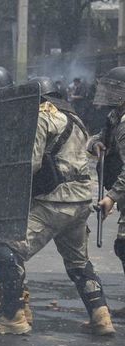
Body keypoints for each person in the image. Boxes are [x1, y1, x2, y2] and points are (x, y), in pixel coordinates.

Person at [0, 77, 114, 336]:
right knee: (79, 262)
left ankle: (13, 316)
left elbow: (30, 164)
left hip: (54, 200)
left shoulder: (41, 117)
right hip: (80, 200)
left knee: (5, 246)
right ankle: (101, 316)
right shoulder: (75, 118)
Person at [89, 66, 125, 318]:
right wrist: (96, 144)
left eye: (114, 89)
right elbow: (97, 139)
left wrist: (112, 196)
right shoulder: (115, 117)